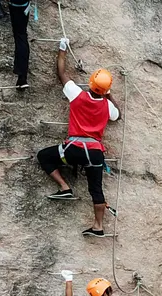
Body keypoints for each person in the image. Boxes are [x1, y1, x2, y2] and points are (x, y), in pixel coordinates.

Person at [36, 39, 120, 237]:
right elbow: (118, 114)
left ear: (90, 83)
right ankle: (98, 226)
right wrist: (108, 95)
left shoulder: (77, 95)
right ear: (106, 89)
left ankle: (65, 187)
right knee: (96, 189)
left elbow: (61, 74)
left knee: (44, 156)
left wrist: (62, 50)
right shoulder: (107, 106)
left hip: (74, 149)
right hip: (95, 153)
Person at [0, 0, 31, 89]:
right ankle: (22, 78)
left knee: (20, 34)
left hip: (16, 4)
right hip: (22, 5)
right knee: (21, 36)